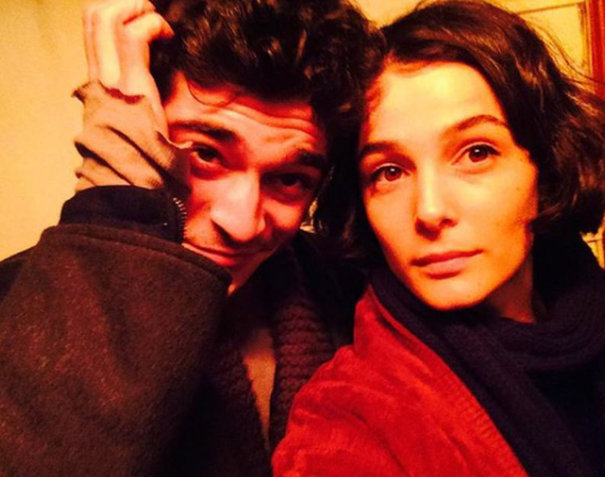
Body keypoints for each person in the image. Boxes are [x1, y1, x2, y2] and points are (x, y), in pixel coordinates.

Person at [0, 0, 381, 475]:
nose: (241, 223)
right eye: (205, 154)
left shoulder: (346, 293)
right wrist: (120, 187)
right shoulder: (15, 302)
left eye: (290, 179)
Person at [273, 1, 605, 476]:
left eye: (476, 153)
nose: (429, 211)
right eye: (389, 172)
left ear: (545, 164)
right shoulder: (349, 419)